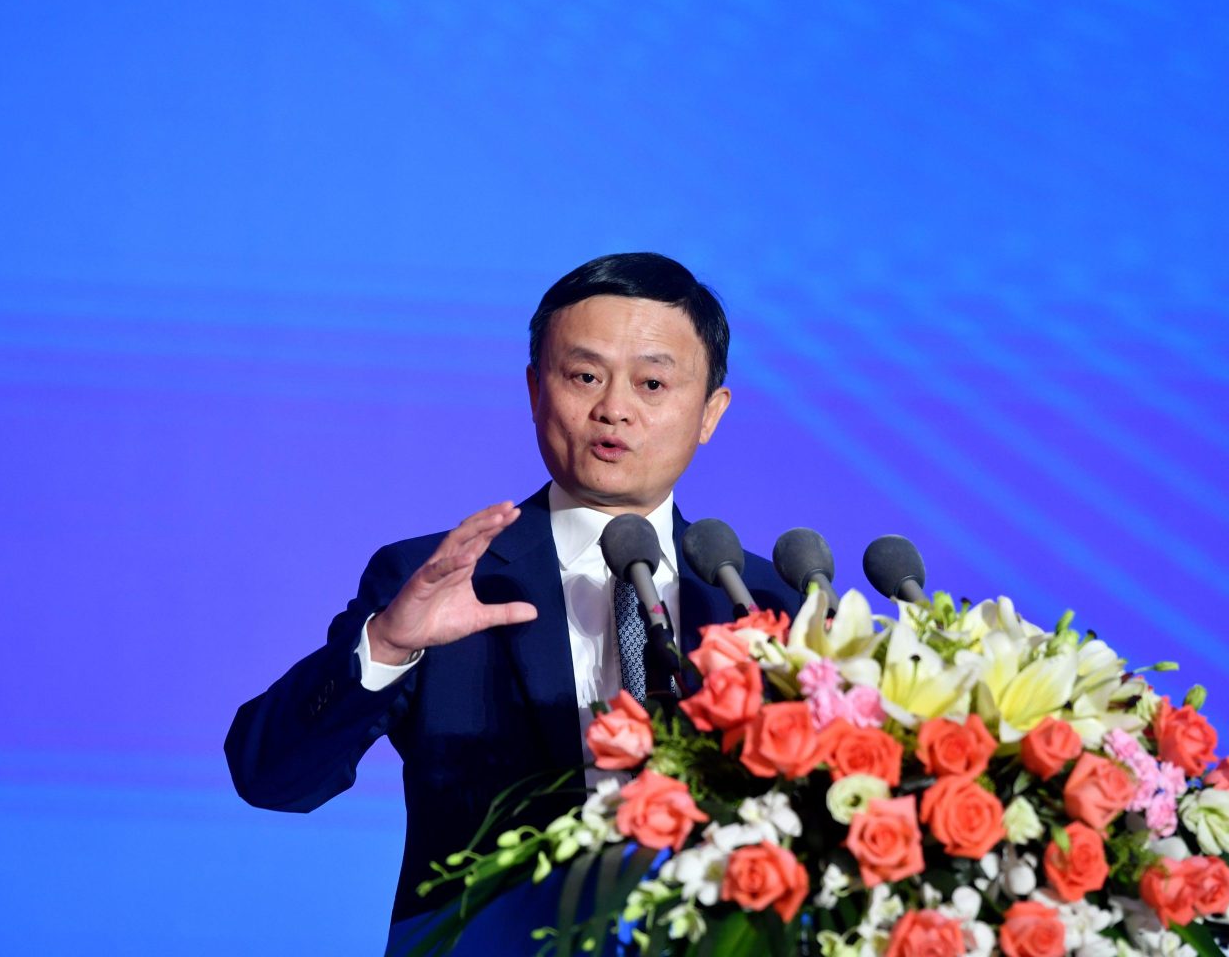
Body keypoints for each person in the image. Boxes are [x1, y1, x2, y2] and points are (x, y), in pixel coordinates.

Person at [224, 252, 800, 948]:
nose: (614, 409)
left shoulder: (765, 602)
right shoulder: (442, 580)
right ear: (534, 390)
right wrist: (387, 646)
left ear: (710, 412)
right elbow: (271, 779)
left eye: (652, 383)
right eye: (584, 376)